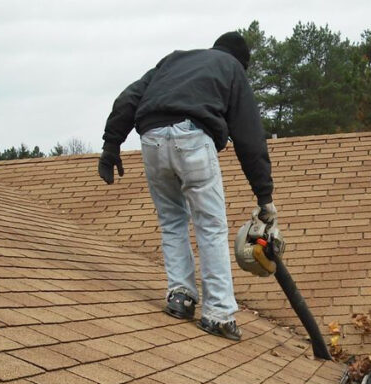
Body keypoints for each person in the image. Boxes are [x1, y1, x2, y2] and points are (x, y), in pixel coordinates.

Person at [98, 32, 276, 341]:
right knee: (210, 226)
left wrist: (111, 145)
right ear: (242, 61)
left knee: (172, 221)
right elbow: (249, 136)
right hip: (192, 137)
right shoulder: (232, 68)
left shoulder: (175, 59)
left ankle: (180, 297)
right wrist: (264, 196)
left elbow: (130, 96)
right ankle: (218, 314)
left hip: (151, 139)